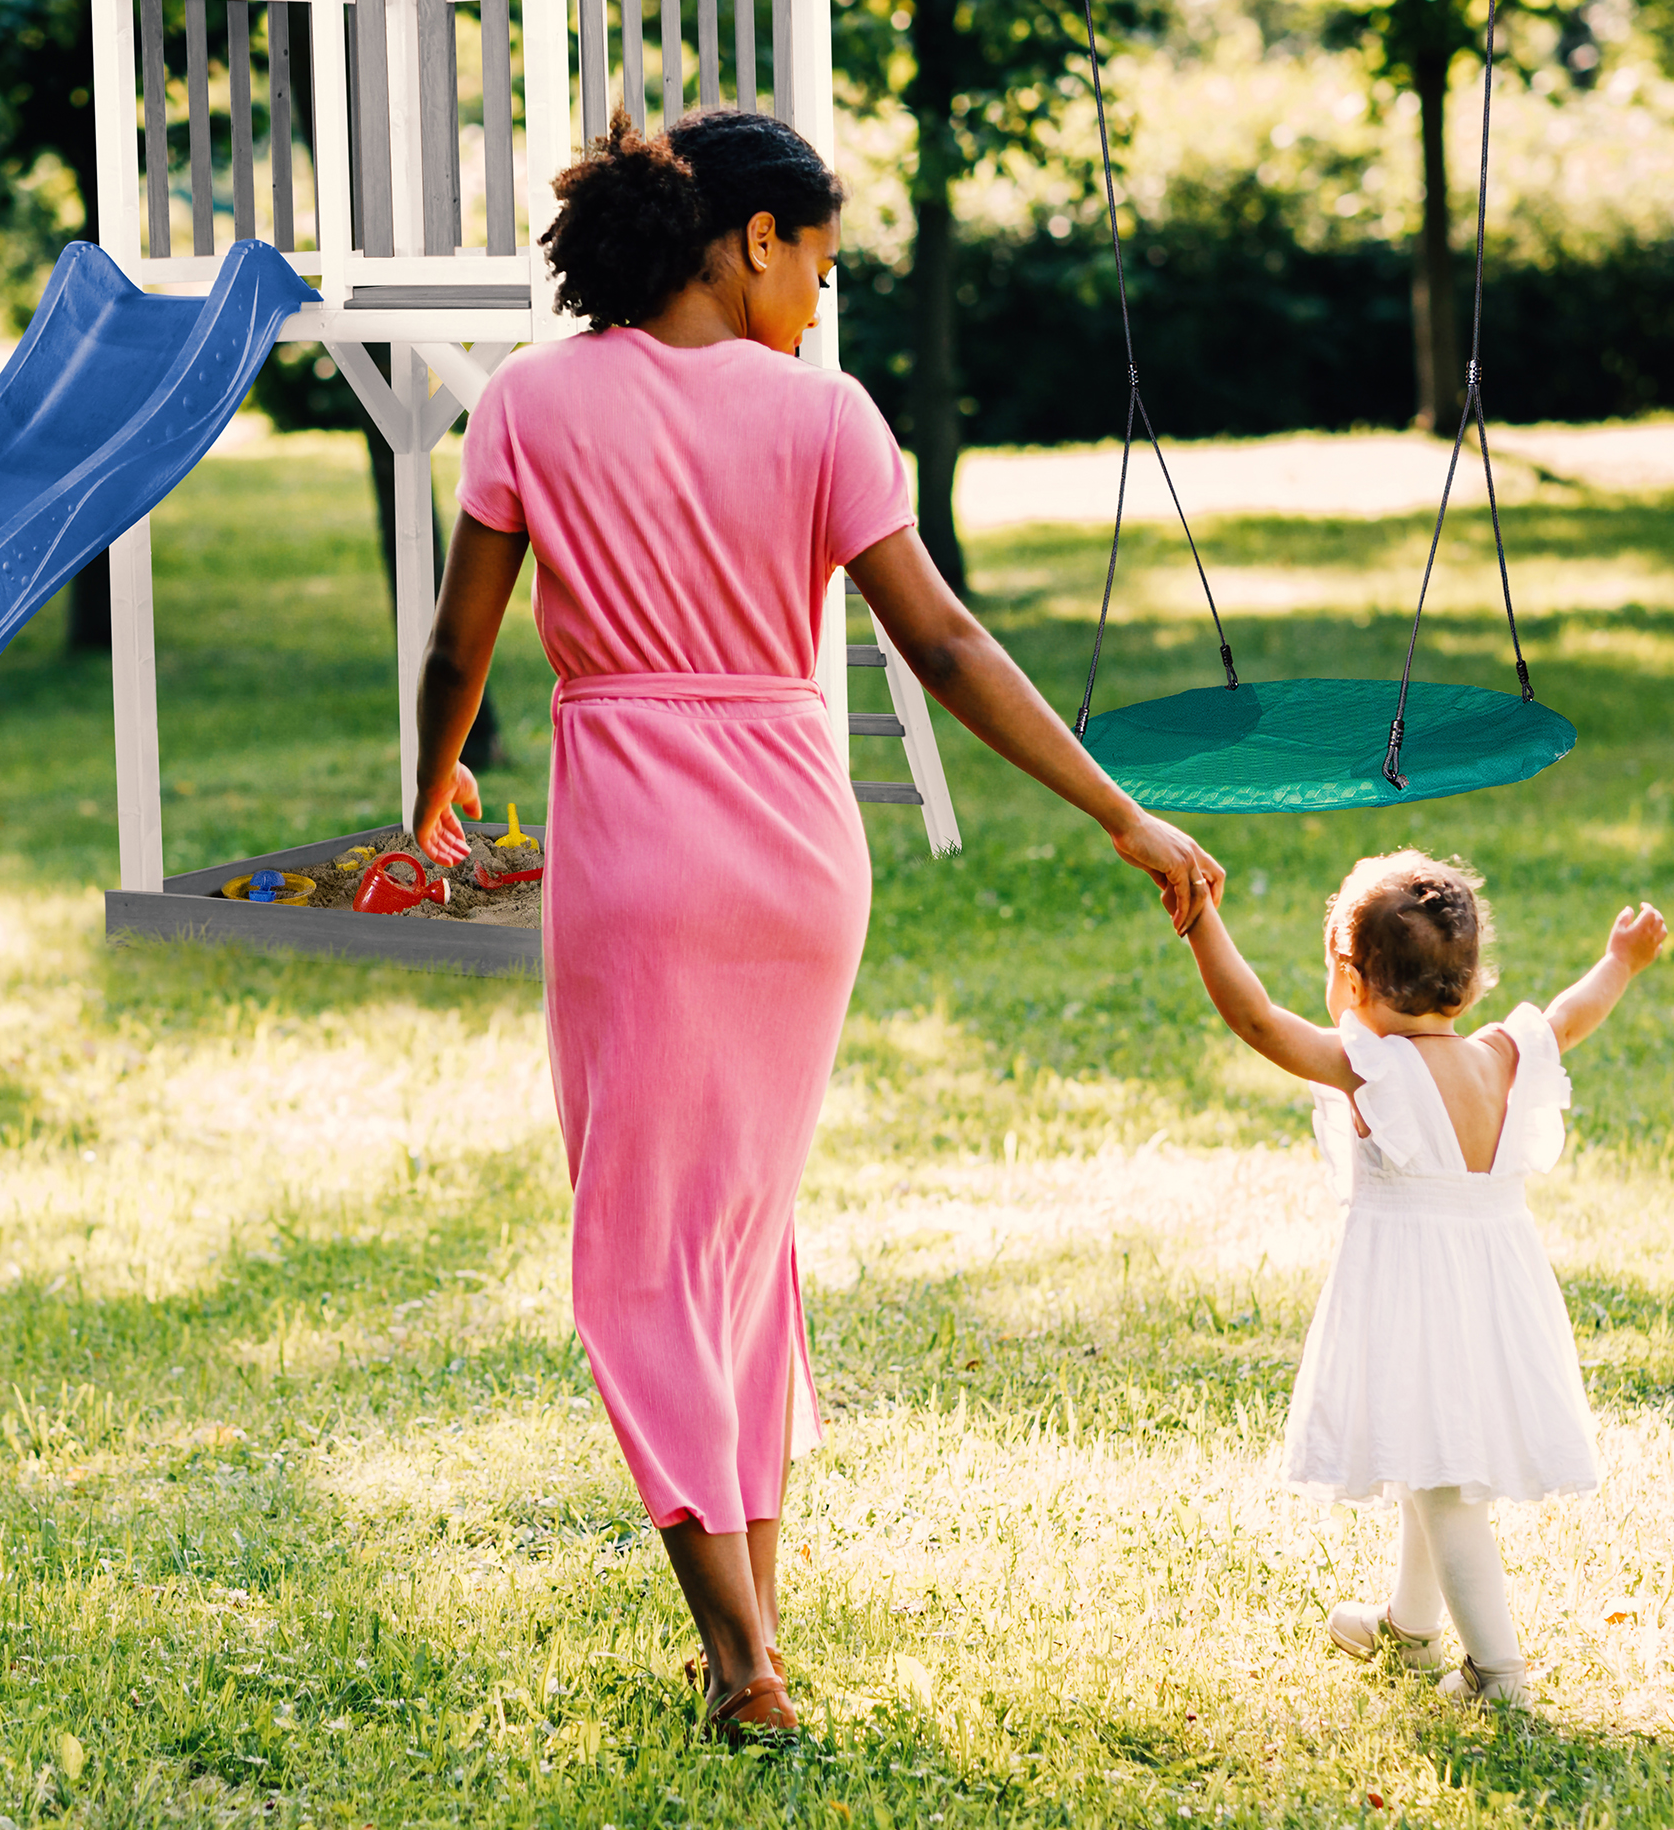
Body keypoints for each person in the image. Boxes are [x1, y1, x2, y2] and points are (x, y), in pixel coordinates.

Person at [410, 109, 1223, 1740]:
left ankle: (740, 1660)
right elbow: (943, 647)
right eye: (821, 265)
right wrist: (1119, 808)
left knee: (642, 1250)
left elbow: (460, 645)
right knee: (738, 1239)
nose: (822, 301)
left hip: (637, 849)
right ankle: (756, 1627)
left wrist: (427, 792)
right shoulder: (826, 419)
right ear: (751, 239)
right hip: (796, 849)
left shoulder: (529, 403)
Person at [1176, 849, 1668, 1708]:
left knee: (1443, 1485)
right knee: (1425, 1451)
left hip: (1416, 1297)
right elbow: (1570, 1013)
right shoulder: (1504, 1055)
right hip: (1494, 1293)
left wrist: (1200, 919)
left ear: (1352, 980)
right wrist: (1619, 961)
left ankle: (1497, 1673)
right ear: (1470, 985)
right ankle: (1409, 1628)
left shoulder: (1373, 1069)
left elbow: (1255, 1020)